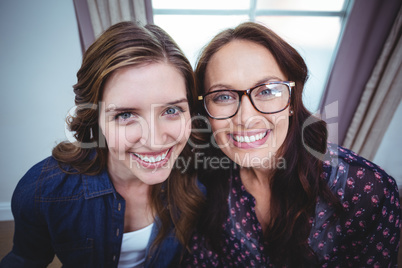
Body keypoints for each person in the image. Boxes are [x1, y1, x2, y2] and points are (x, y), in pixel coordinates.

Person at [184, 22, 401, 267]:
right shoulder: (207, 176)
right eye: (223, 96)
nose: (245, 118)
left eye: (266, 91)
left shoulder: (368, 191)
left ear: (291, 99)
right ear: (206, 110)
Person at [0, 21, 204, 268]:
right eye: (126, 115)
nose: (154, 140)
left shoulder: (204, 176)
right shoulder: (42, 191)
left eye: (172, 110)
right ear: (95, 119)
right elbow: (25, 260)